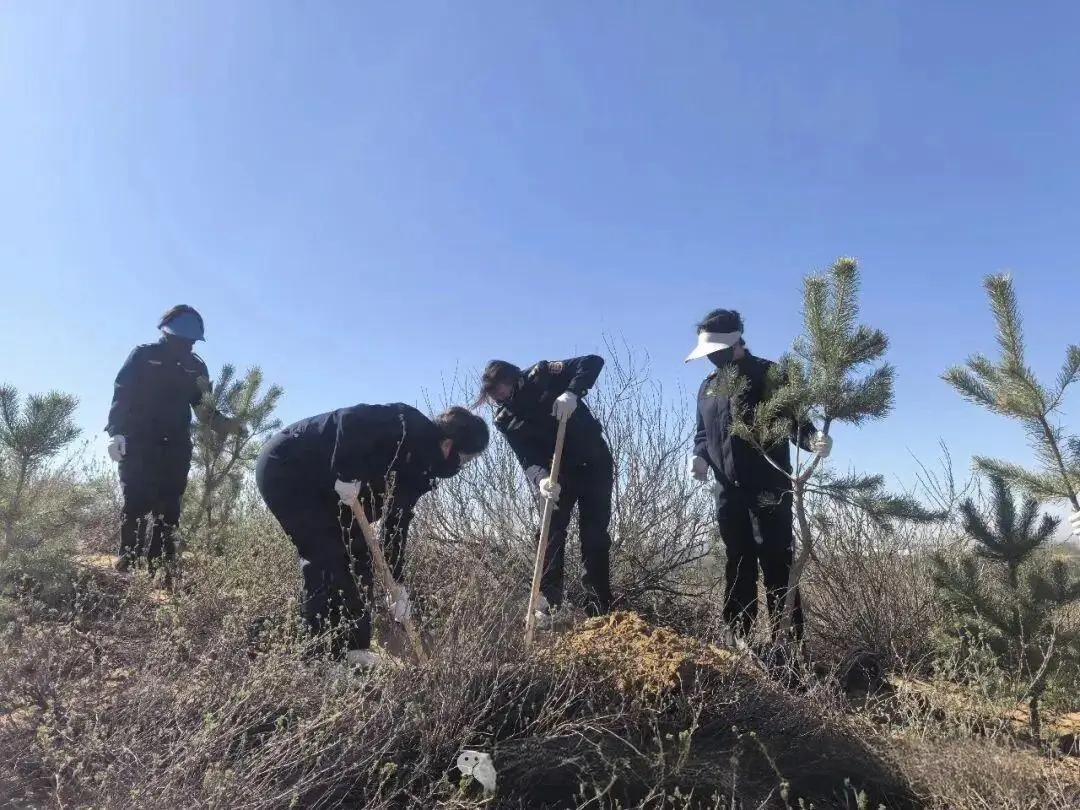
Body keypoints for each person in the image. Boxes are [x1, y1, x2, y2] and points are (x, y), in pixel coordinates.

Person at [254, 402, 489, 668]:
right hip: (290, 466)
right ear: (448, 445)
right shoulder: (405, 424)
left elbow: (396, 524)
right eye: (464, 459)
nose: (461, 466)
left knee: (359, 556)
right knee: (326, 555)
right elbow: (349, 421)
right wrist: (346, 472)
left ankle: (354, 649)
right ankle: (319, 659)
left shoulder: (422, 470)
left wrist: (397, 584)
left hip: (330, 490)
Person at [685, 309, 833, 645]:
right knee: (738, 564)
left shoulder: (770, 374)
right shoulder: (708, 387)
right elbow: (702, 433)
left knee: (777, 564)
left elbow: (795, 422)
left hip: (770, 488)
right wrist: (699, 456)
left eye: (714, 351)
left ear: (734, 342)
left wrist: (814, 440)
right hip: (727, 492)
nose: (710, 359)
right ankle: (738, 640)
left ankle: (787, 645)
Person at [475, 355, 614, 627]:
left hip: (594, 462)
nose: (499, 398)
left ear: (512, 379)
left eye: (500, 391)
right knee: (549, 533)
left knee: (594, 534)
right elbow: (526, 456)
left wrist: (572, 392)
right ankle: (549, 603)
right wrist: (540, 479)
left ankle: (599, 606)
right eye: (493, 396)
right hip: (557, 472)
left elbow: (592, 362)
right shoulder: (505, 419)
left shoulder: (544, 374)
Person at [105, 305, 236, 583]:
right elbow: (122, 394)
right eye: (181, 339)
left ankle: (161, 569)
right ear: (166, 333)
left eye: (190, 341)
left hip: (176, 446)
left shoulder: (196, 367)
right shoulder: (143, 356)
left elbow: (204, 409)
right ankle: (128, 564)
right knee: (135, 503)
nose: (186, 345)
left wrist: (230, 426)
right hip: (138, 442)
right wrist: (116, 432)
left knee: (169, 509)